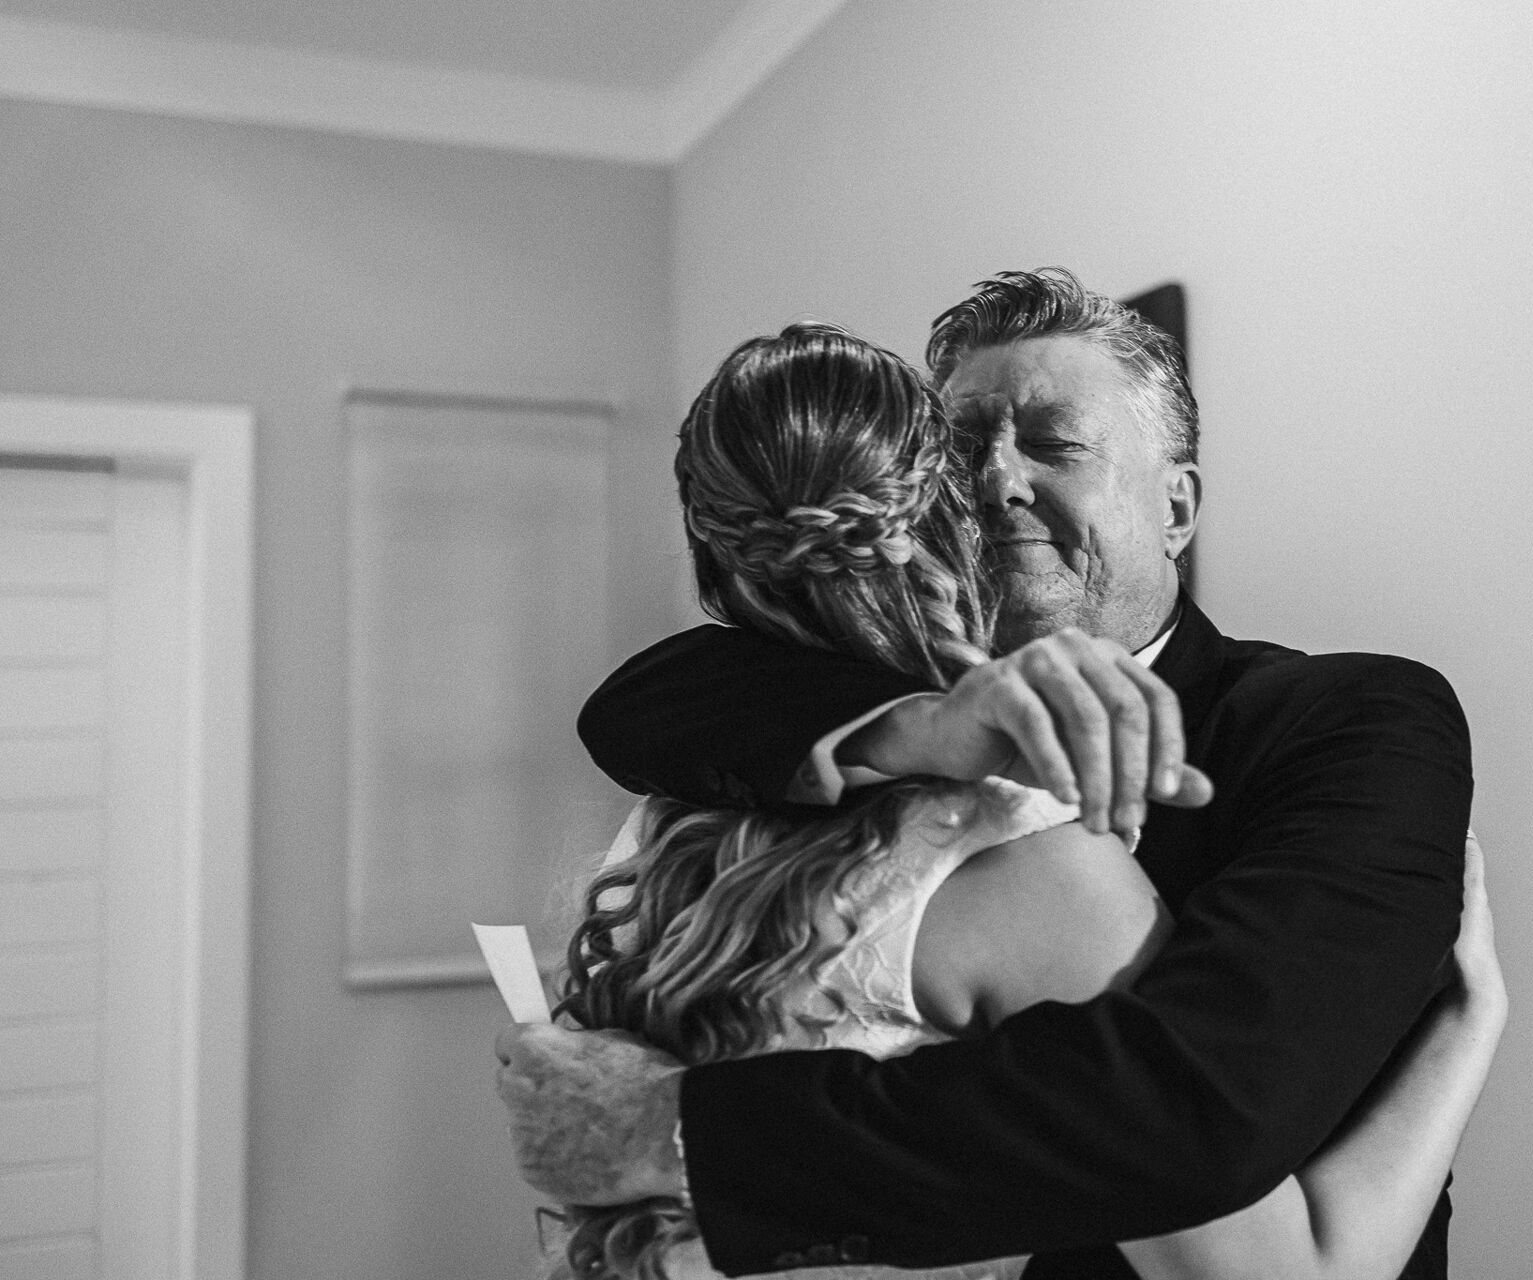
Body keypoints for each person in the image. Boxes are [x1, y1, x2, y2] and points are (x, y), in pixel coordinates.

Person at [499, 271, 1479, 1279]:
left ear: (1178, 506)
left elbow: (1196, 1109)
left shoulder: (1352, 720)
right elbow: (636, 701)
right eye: (964, 449)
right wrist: (923, 726)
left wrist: (680, 1132)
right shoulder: (863, 712)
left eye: (1055, 443)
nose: (997, 481)